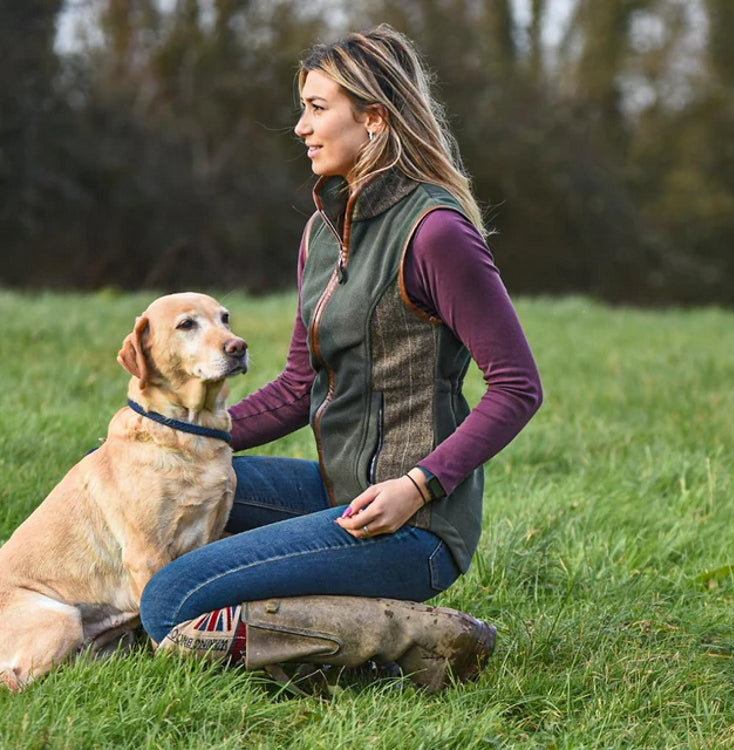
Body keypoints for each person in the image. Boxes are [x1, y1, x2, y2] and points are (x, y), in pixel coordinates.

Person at [139, 24, 542, 691]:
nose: (300, 126)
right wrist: (166, 438)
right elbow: (301, 384)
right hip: (336, 490)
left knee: (169, 602)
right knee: (160, 495)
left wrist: (419, 486)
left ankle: (409, 638)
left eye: (318, 108)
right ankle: (344, 624)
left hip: (415, 524)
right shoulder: (322, 231)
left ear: (376, 118)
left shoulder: (436, 233)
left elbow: (517, 387)